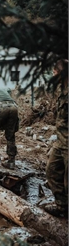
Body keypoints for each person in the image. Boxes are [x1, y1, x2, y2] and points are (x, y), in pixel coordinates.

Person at [44, 59, 68, 217]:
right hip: (61, 141)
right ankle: (62, 207)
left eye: (54, 73)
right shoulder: (62, 90)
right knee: (51, 171)